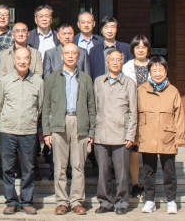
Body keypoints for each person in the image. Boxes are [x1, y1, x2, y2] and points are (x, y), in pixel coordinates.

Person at [42, 43, 95, 216]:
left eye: (74, 53)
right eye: (67, 53)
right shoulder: (52, 78)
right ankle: (62, 202)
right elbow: (46, 106)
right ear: (62, 55)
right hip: (59, 124)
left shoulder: (85, 78)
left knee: (78, 166)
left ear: (78, 56)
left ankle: (77, 201)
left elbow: (92, 107)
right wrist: (47, 131)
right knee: (60, 166)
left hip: (80, 122)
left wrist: (91, 131)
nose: (70, 56)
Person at [0, 47, 43, 216]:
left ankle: (27, 202)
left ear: (30, 60)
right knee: (7, 168)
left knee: (28, 168)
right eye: (19, 58)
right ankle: (11, 202)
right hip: (8, 131)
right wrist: (6, 121)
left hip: (29, 131)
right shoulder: (5, 81)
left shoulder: (38, 82)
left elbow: (39, 107)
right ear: (14, 60)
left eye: (26, 58)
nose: (22, 61)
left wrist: (30, 120)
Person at [138, 56, 185, 215]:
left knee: (169, 172)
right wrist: (136, 136)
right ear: (149, 72)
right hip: (147, 135)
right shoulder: (141, 90)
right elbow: (136, 114)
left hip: (168, 136)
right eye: (154, 70)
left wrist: (179, 137)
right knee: (148, 171)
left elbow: (179, 116)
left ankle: (171, 201)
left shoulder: (173, 91)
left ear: (166, 71)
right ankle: (149, 200)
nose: (157, 73)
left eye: (160, 70)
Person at [93, 48, 137, 215]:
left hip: (121, 135)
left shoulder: (129, 83)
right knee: (103, 172)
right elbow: (93, 108)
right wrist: (92, 133)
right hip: (101, 134)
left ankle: (121, 203)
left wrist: (130, 135)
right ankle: (105, 202)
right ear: (107, 62)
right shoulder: (99, 81)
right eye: (112, 59)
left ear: (122, 62)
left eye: (118, 59)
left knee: (122, 173)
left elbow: (133, 112)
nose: (115, 62)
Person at [122, 35, 152, 199]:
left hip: (150, 113)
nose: (140, 50)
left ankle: (148, 185)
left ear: (148, 49)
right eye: (137, 47)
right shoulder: (126, 67)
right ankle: (135, 184)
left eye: (143, 47)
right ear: (132, 49)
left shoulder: (154, 65)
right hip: (132, 113)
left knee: (148, 151)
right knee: (134, 151)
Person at [88, 16, 133, 81]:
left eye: (112, 27)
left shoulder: (126, 48)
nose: (109, 31)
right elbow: (91, 73)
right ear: (101, 30)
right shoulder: (94, 51)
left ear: (116, 29)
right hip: (101, 85)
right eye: (106, 27)